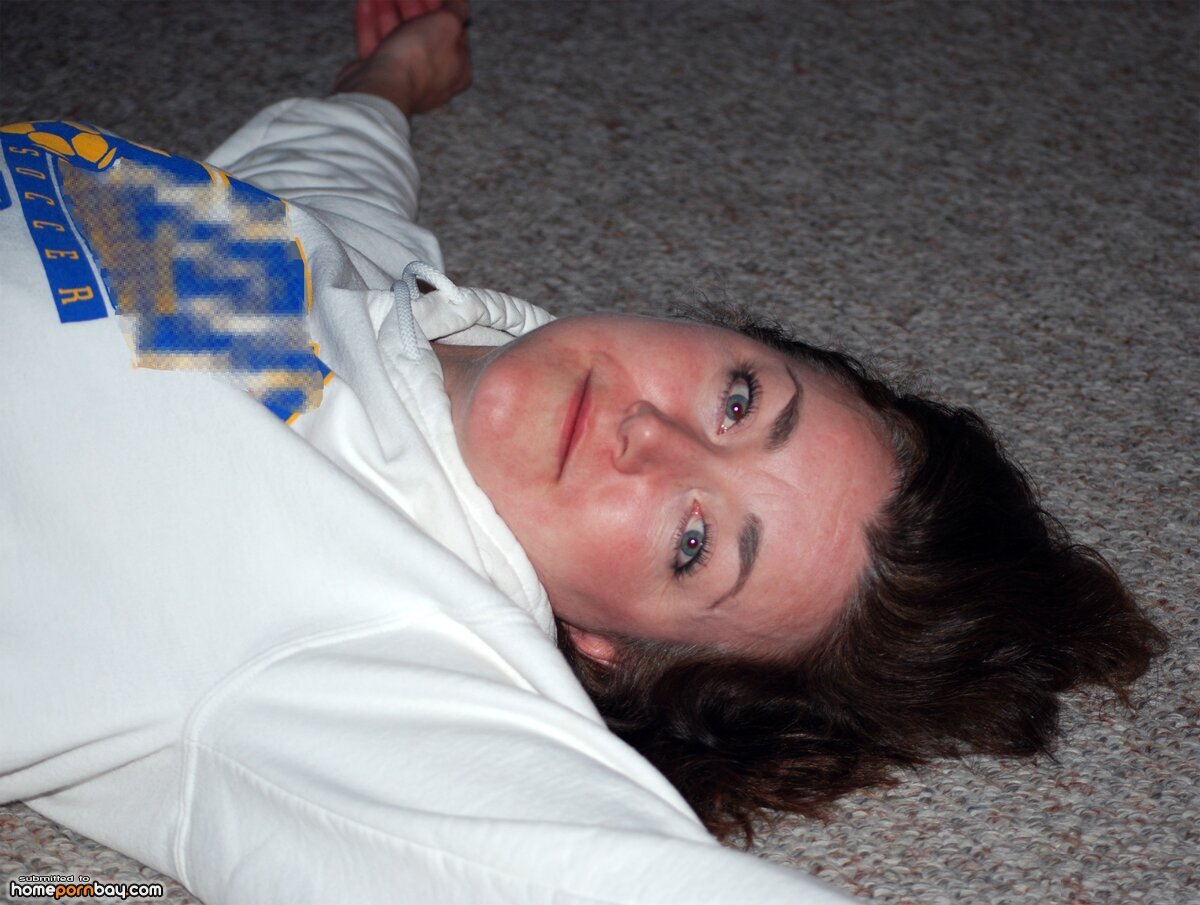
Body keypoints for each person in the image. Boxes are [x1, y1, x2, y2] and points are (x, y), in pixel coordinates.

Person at [0, 0, 1163, 900]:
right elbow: (322, 173)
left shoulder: (350, 625)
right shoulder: (358, 271)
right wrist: (396, 76)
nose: (653, 439)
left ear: (607, 649)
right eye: (741, 400)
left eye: (695, 540)